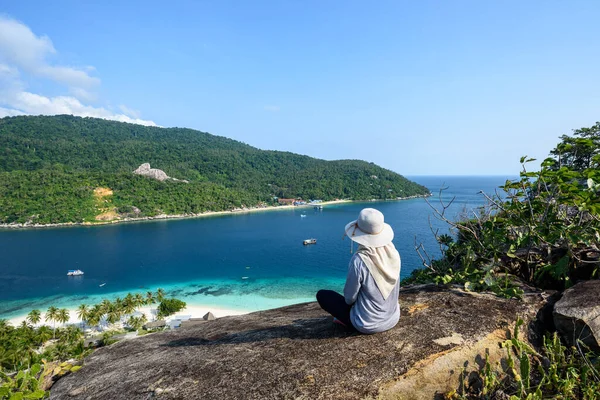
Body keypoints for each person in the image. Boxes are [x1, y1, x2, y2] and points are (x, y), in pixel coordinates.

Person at [316, 208, 401, 334]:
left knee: (323, 295)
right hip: (392, 318)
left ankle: (347, 322)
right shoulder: (393, 254)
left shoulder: (360, 260)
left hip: (367, 324)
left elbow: (349, 299)